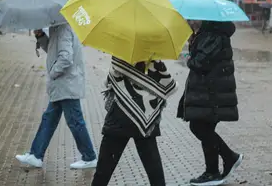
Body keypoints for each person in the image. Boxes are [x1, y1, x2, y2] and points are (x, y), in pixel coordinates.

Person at [15, 24, 97, 169]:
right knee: (49, 119)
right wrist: (41, 36)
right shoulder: (57, 27)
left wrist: (53, 72)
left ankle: (89, 156)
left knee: (75, 121)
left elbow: (66, 57)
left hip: (67, 83)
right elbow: (53, 51)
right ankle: (36, 155)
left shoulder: (63, 28)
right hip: (62, 84)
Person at [91, 57, 177, 186]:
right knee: (154, 171)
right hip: (146, 118)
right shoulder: (155, 60)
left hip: (119, 117)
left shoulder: (121, 54)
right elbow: (166, 83)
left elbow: (109, 82)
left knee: (104, 170)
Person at [177, 20, 243, 186]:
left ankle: (229, 158)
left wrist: (190, 58)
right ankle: (212, 172)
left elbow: (201, 63)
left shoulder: (212, 36)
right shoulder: (207, 34)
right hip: (208, 92)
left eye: (192, 18)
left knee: (199, 127)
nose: (189, 21)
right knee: (205, 129)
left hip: (212, 93)